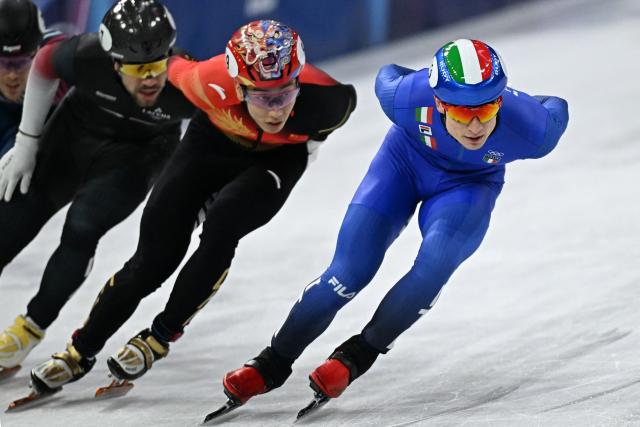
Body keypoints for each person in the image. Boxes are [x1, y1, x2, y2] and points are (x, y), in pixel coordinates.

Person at [218, 38, 570, 412]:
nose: (476, 125)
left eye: (487, 110)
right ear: (437, 102)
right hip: (402, 165)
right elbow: (388, 75)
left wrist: (521, 102)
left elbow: (558, 108)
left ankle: (357, 355)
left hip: (469, 186)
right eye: (462, 113)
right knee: (348, 273)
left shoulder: (533, 130)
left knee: (435, 265)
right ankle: (272, 362)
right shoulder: (405, 97)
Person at [26, 19, 356, 395]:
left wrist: (304, 151)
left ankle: (159, 336)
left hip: (277, 160)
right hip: (210, 145)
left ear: (298, 80)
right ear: (236, 85)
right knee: (152, 260)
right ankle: (79, 351)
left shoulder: (330, 101)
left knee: (222, 225)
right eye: (262, 97)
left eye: (284, 93)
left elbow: (324, 126)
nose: (275, 109)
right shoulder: (203, 80)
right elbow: (160, 65)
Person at [0, 0, 196, 375]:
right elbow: (43, 64)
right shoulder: (86, 56)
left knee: (83, 227)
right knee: (7, 223)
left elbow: (218, 130)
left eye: (157, 65)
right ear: (114, 61)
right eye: (138, 69)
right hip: (75, 135)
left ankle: (29, 328)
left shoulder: (187, 81)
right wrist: (27, 141)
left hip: (139, 155)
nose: (151, 79)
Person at [0, 0, 64, 158]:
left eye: (21, 63)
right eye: (3, 63)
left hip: (52, 117)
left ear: (37, 52)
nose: (12, 75)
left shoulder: (58, 58)